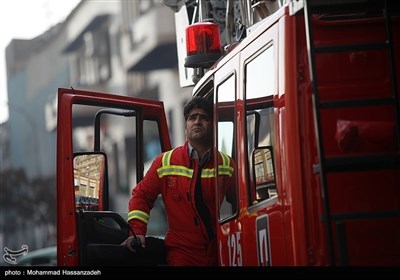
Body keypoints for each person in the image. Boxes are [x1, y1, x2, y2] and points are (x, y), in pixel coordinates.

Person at [122, 96, 235, 266]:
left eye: (204, 118)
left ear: (213, 126)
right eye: (192, 118)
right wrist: (137, 231)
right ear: (185, 128)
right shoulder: (165, 162)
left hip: (218, 251)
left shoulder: (226, 164)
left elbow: (241, 203)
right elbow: (141, 196)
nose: (197, 122)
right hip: (181, 253)